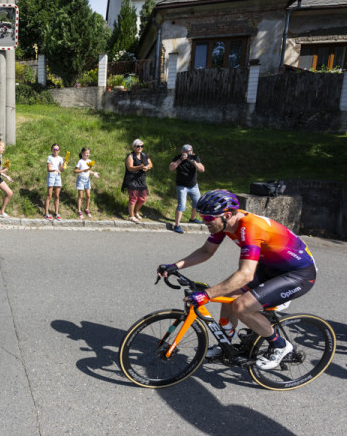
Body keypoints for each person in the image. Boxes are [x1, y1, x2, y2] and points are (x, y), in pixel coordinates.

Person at [157, 189, 318, 370]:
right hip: (270, 267)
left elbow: (246, 274)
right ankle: (226, 344)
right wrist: (175, 265)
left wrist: (206, 295)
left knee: (242, 306)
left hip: (298, 274)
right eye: (203, 217)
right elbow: (206, 251)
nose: (204, 222)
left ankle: (280, 346)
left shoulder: (250, 227)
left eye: (208, 218)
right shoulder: (223, 224)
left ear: (226, 215)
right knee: (228, 292)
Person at [169, 144, 204, 234]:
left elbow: (202, 169)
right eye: (187, 152)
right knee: (182, 205)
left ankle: (193, 218)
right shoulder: (178, 158)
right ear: (182, 152)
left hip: (193, 185)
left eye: (190, 152)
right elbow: (171, 168)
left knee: (197, 203)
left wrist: (194, 162)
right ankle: (177, 225)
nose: (189, 154)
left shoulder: (195, 158)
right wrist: (181, 160)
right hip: (182, 186)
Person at [122, 139, 152, 223]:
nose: (140, 148)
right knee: (133, 198)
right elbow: (129, 167)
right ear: (134, 147)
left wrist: (147, 167)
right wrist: (139, 167)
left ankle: (136, 212)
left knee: (142, 198)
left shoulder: (145, 155)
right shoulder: (130, 156)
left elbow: (150, 164)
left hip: (142, 180)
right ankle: (131, 216)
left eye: (141, 146)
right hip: (132, 179)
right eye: (138, 146)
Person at [74, 147, 99, 219]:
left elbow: (88, 170)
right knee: (80, 196)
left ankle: (86, 209)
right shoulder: (80, 161)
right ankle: (79, 210)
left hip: (87, 180)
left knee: (88, 195)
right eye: (85, 154)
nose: (87, 155)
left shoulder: (90, 161)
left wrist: (93, 173)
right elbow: (75, 171)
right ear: (82, 154)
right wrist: (82, 170)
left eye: (88, 154)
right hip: (81, 180)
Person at [44, 143, 65, 220]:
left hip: (58, 177)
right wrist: (55, 169)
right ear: (52, 150)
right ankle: (46, 213)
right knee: (49, 195)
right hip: (51, 176)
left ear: (59, 150)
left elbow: (62, 169)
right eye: (54, 149)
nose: (55, 151)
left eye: (57, 149)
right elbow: (48, 169)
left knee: (57, 195)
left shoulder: (60, 158)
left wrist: (64, 166)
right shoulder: (49, 157)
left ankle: (56, 213)